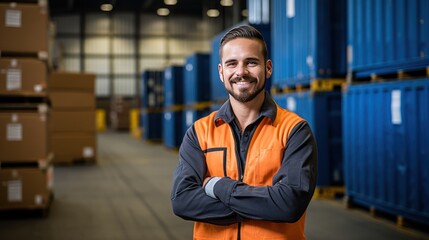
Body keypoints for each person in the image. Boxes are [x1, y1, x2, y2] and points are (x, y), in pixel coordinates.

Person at [171, 25, 318, 240]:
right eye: (232, 64)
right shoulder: (200, 132)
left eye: (251, 62)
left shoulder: (294, 130)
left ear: (268, 68)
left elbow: (289, 204)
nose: (241, 72)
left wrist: (218, 186)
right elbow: (182, 201)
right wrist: (263, 205)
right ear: (221, 72)